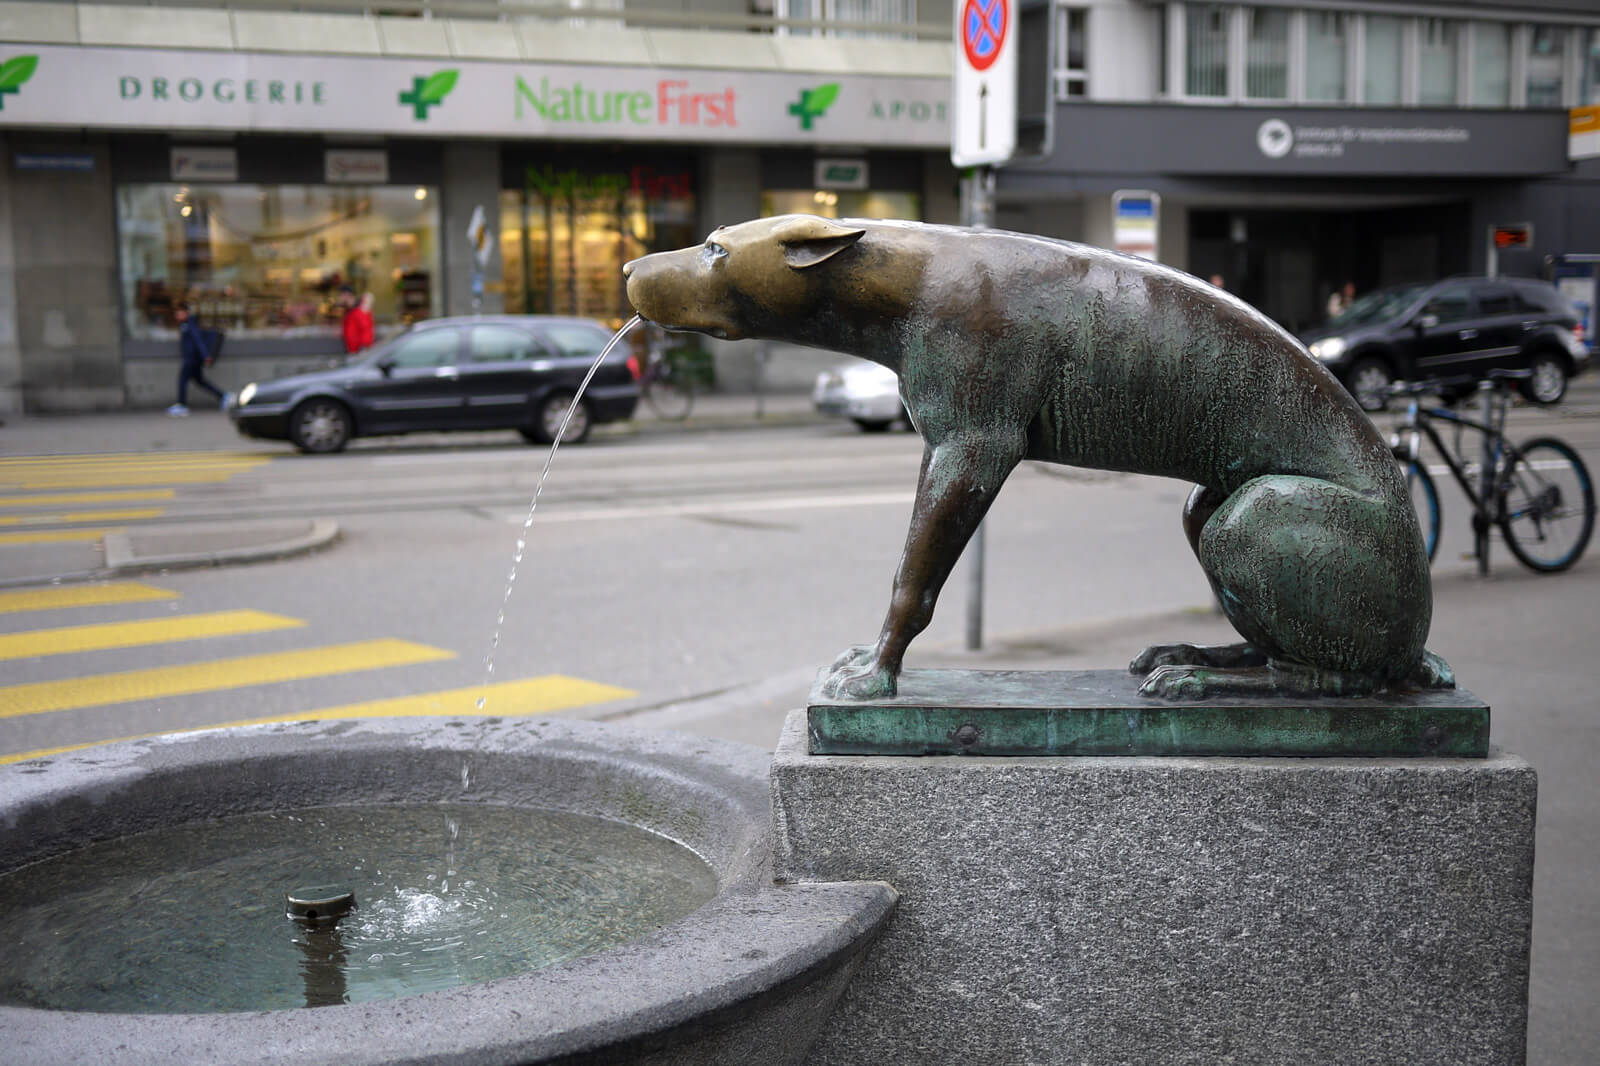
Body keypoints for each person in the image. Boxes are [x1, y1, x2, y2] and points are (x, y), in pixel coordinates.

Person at [167, 303, 230, 416]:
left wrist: (206, 356)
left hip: (192, 358)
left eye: (179, 313)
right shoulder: (186, 324)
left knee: (183, 379)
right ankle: (223, 396)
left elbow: (198, 341)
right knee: (200, 381)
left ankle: (182, 404)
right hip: (193, 358)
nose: (177, 316)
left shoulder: (190, 324)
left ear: (186, 313)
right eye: (176, 314)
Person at [340, 287, 374, 355]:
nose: (340, 298)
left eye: (341, 295)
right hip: (353, 349)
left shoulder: (359, 310)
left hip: (359, 351)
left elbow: (366, 330)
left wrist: (363, 347)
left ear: (348, 295)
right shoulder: (350, 310)